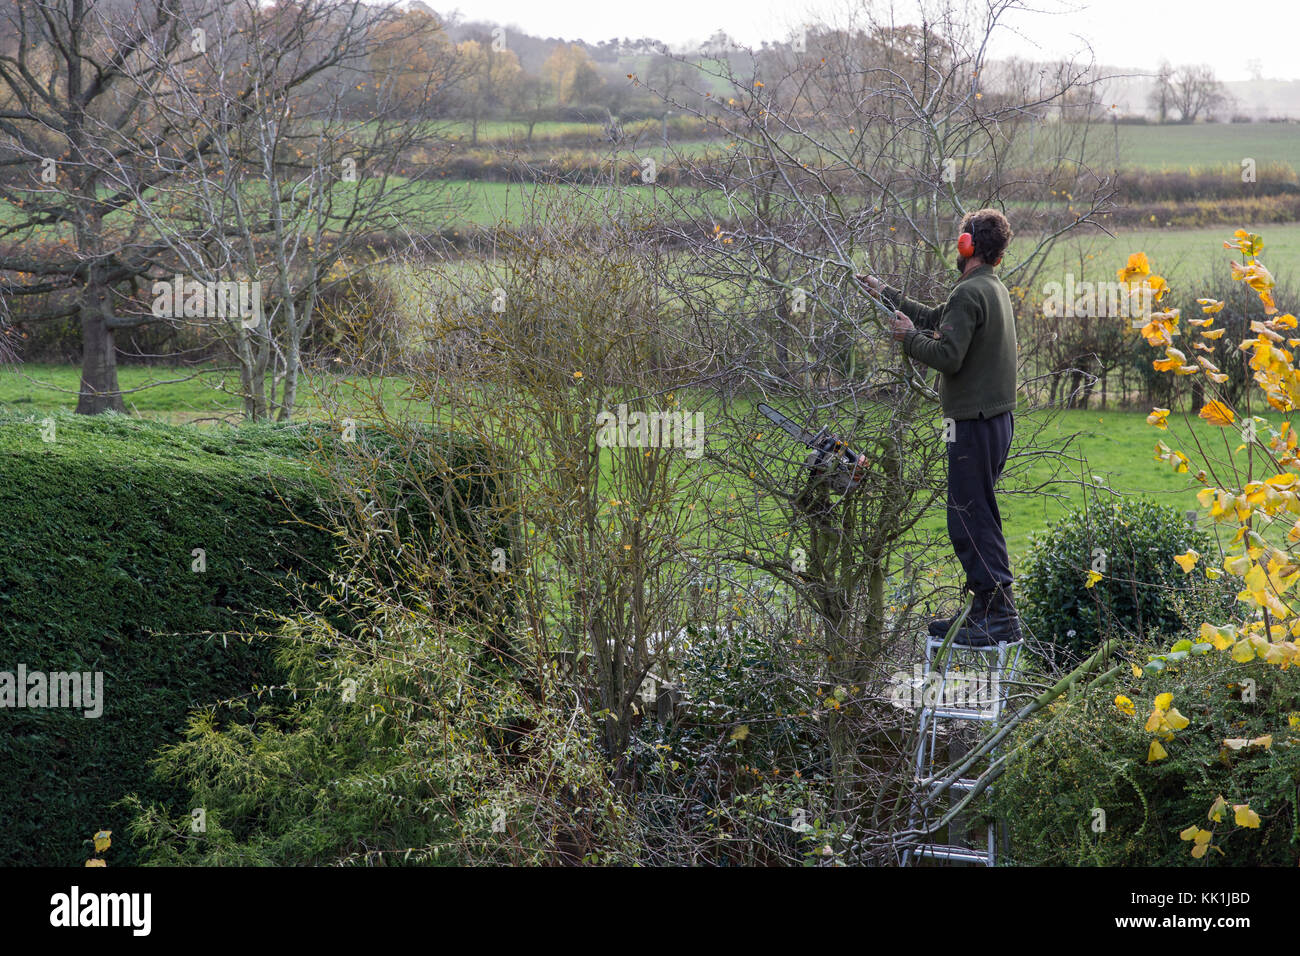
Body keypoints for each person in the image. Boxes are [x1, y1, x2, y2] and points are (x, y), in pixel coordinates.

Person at [858, 208, 1021, 646]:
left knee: (967, 518)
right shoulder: (989, 288)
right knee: (976, 515)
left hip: (974, 424)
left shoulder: (971, 293)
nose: (956, 245)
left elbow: (947, 355)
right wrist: (886, 294)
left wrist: (907, 340)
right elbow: (939, 317)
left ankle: (999, 615)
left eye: (960, 238)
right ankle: (986, 610)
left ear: (968, 245)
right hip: (995, 420)